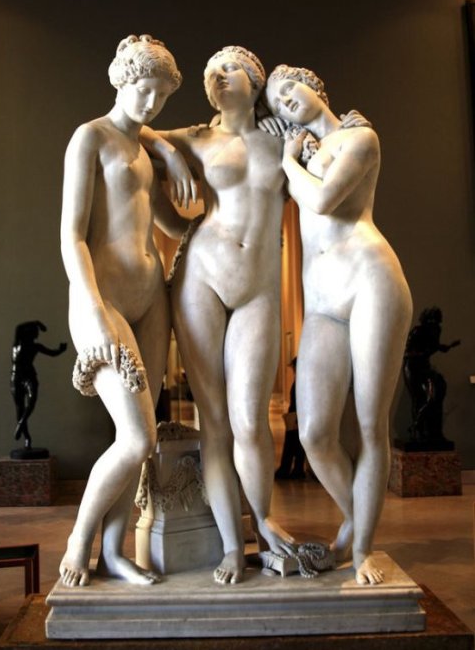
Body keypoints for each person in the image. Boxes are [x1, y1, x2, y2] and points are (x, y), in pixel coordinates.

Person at [140, 46, 298, 585]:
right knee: (215, 423)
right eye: (209, 72)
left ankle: (264, 523)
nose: (216, 77)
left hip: (259, 289)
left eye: (227, 68)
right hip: (201, 279)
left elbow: (331, 134)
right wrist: (171, 155)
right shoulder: (197, 138)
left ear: (255, 80)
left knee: (250, 420)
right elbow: (136, 131)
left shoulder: (282, 137)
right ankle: (234, 546)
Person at [263, 64, 413, 585]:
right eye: (276, 102)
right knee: (314, 433)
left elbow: (324, 200)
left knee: (371, 425)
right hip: (323, 302)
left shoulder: (360, 138)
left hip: (372, 281)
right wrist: (279, 142)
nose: (285, 100)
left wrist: (287, 158)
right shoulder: (302, 150)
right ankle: (356, 519)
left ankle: (363, 547)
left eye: (289, 88)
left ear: (316, 86)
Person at [59, 34, 193, 587]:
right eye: (144, 90)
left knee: (143, 439)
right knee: (137, 438)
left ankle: (113, 553)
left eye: (161, 95)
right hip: (105, 300)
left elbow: (171, 223)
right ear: (122, 80)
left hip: (151, 299)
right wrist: (91, 307)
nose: (152, 104)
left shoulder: (144, 148)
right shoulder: (89, 138)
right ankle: (79, 541)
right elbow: (71, 236)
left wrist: (229, 213)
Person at [402, 306, 460, 447]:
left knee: (435, 395)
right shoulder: (417, 331)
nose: (435, 325)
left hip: (424, 367)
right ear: (427, 320)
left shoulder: (436, 330)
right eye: (433, 321)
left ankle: (433, 432)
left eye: (437, 322)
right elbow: (407, 353)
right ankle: (418, 431)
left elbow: (436, 346)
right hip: (413, 367)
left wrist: (445, 347)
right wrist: (424, 353)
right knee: (419, 398)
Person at [10, 321, 67, 450]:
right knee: (21, 407)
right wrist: (38, 322)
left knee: (31, 401)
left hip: (27, 377)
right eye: (35, 332)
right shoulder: (18, 343)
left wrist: (61, 350)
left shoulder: (32, 346)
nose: (37, 335)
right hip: (17, 378)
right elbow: (18, 326)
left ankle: (21, 423)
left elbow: (52, 353)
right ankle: (27, 438)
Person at [275, 357, 306, 479]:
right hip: (297, 417)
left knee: (290, 445)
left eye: (294, 367)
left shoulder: (301, 382)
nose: (293, 370)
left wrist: (297, 417)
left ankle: (286, 470)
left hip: (296, 417)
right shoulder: (301, 380)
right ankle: (297, 470)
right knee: (297, 445)